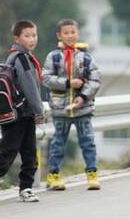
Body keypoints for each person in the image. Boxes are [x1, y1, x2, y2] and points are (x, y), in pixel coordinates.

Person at [0, 20, 45, 204]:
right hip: (20, 113)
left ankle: (26, 188)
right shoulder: (21, 58)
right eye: (27, 36)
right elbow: (30, 87)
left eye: (34, 35)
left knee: (29, 151)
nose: (32, 39)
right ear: (17, 38)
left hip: (22, 112)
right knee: (8, 151)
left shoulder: (16, 56)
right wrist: (39, 111)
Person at [42, 19, 101, 191]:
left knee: (88, 142)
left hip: (83, 108)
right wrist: (68, 83)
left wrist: (83, 96)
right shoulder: (53, 57)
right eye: (66, 32)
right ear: (59, 35)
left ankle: (92, 175)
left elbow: (95, 79)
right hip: (61, 108)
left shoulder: (86, 57)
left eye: (73, 32)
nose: (70, 35)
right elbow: (45, 78)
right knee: (58, 143)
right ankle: (53, 176)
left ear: (78, 33)